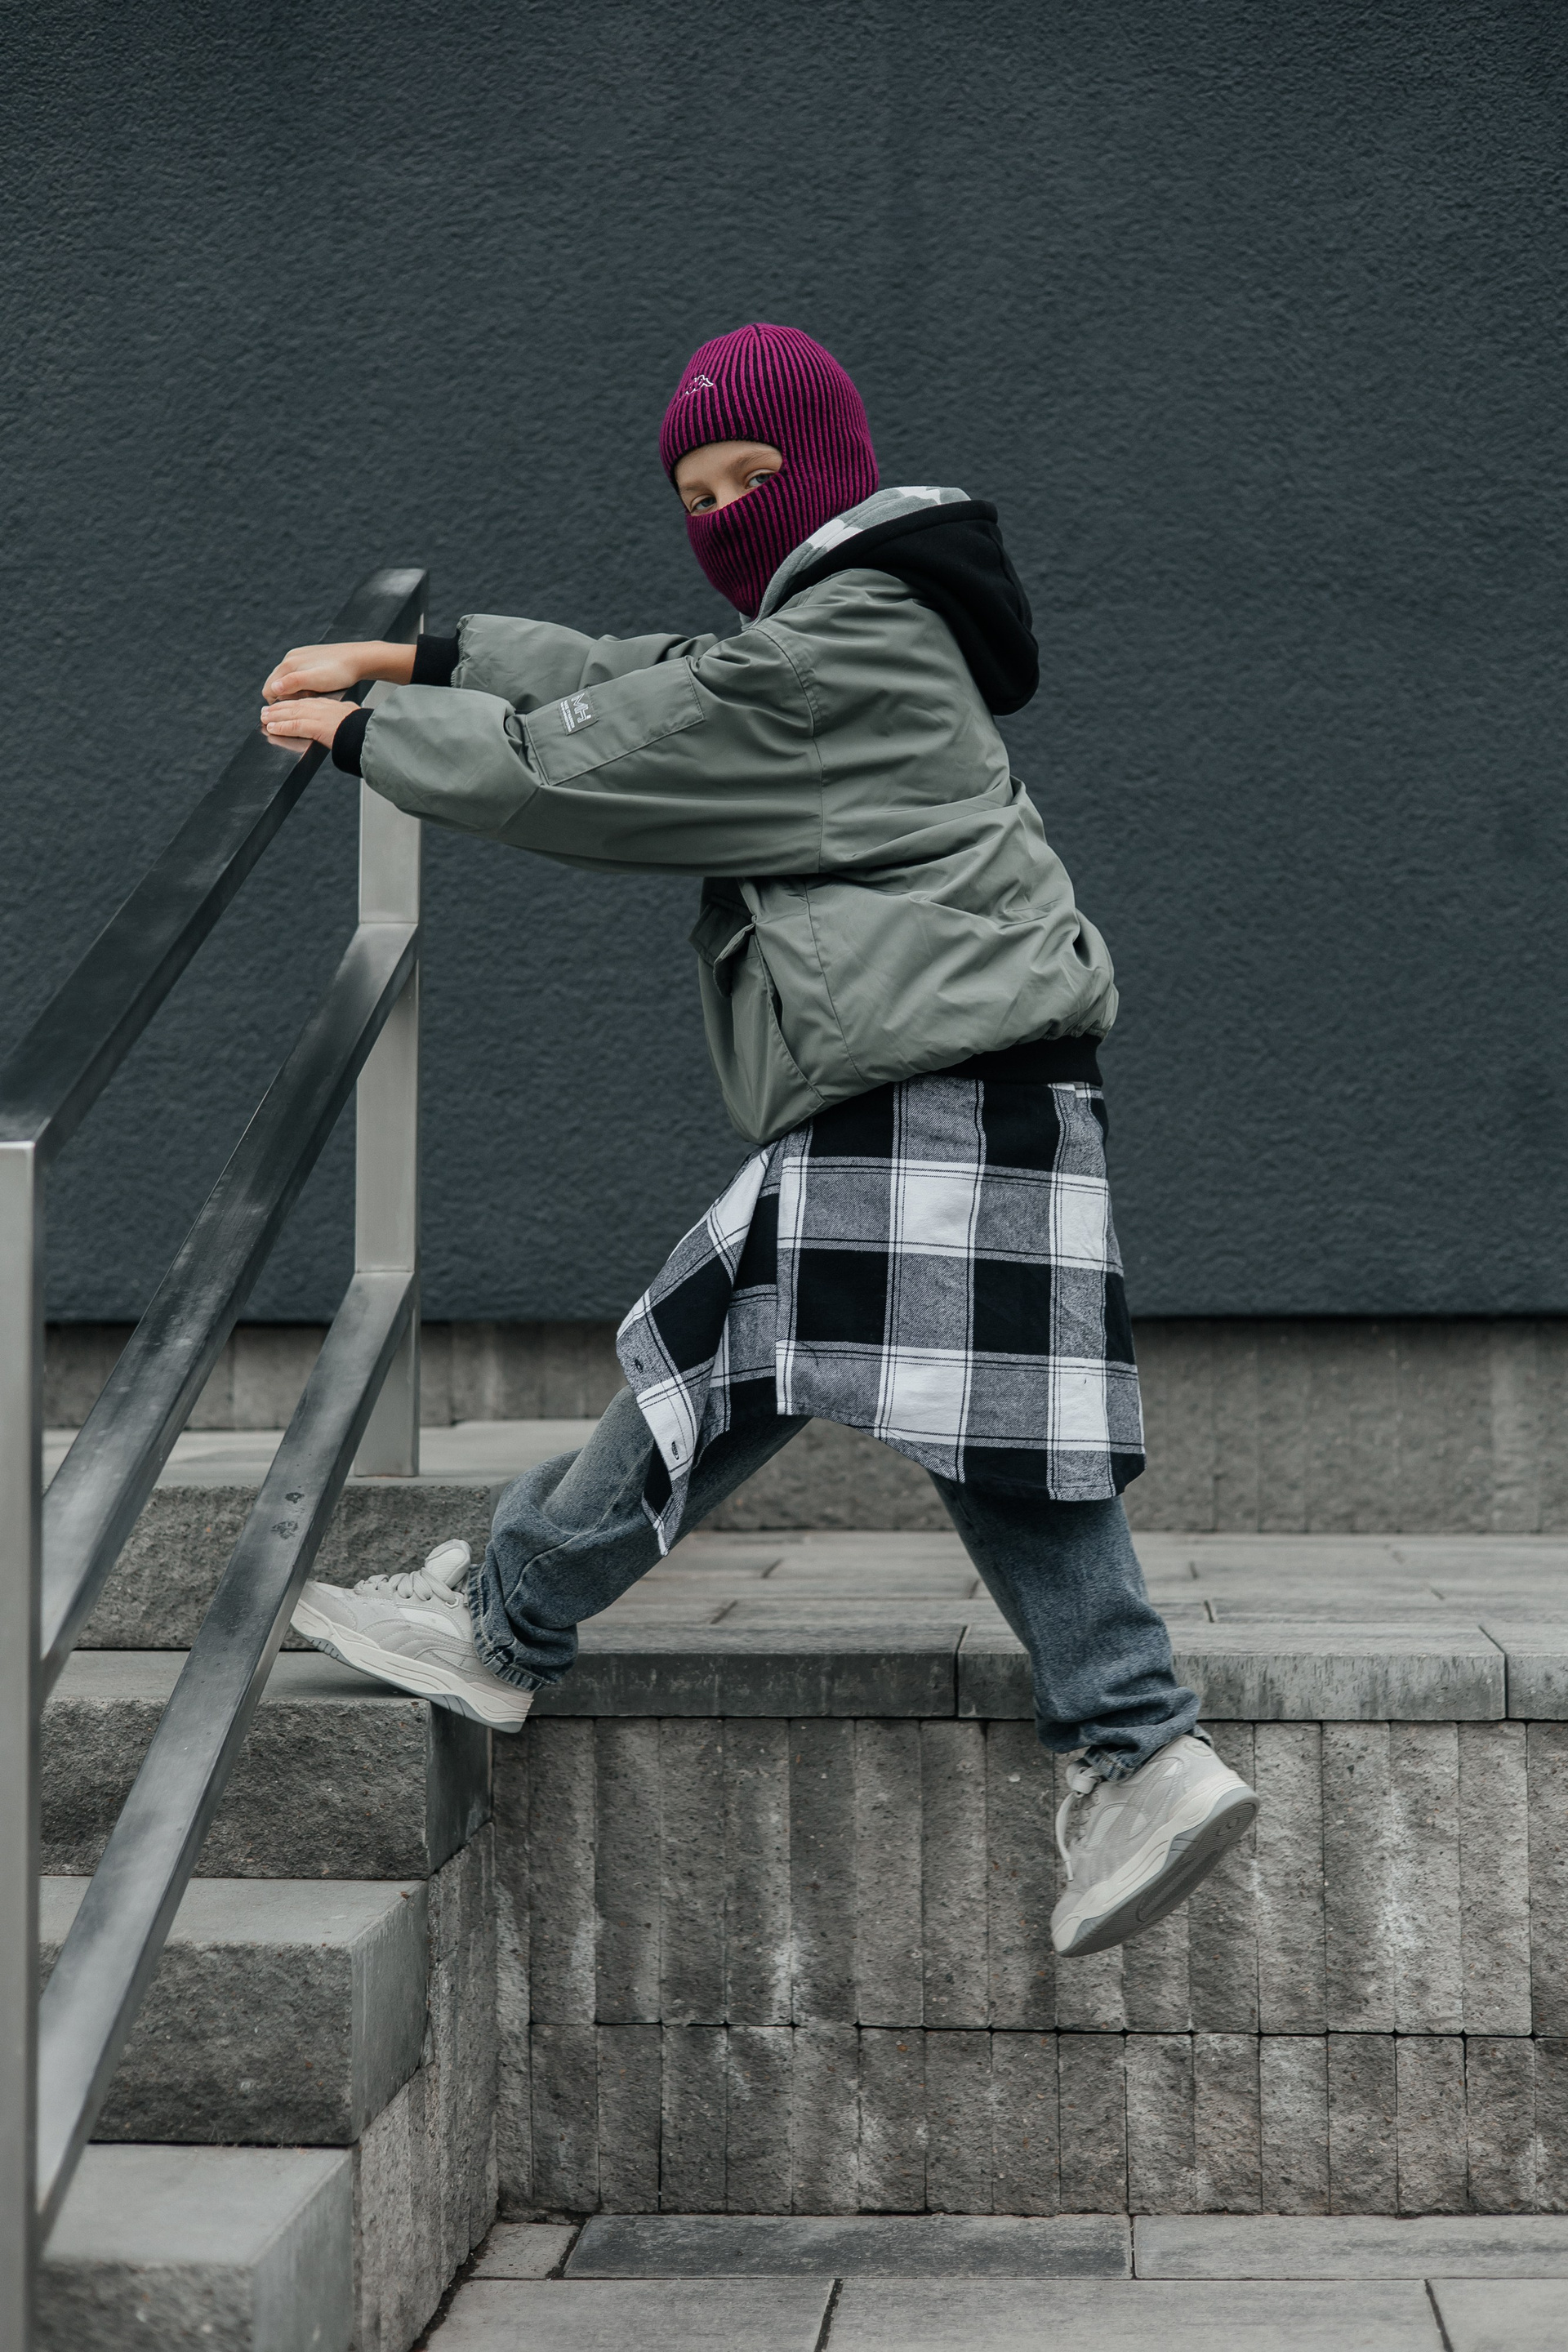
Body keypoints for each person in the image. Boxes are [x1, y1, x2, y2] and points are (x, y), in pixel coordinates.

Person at [261, 323, 1257, 1958]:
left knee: (777, 1363)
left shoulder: (843, 644)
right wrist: (439, 658)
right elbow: (642, 671)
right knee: (853, 1386)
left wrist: (374, 734)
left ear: (835, 468)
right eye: (697, 494)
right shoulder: (856, 628)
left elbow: (606, 756)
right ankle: (1135, 1745)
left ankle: (509, 1621)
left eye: (752, 475)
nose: (723, 513)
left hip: (939, 1078)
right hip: (970, 1073)